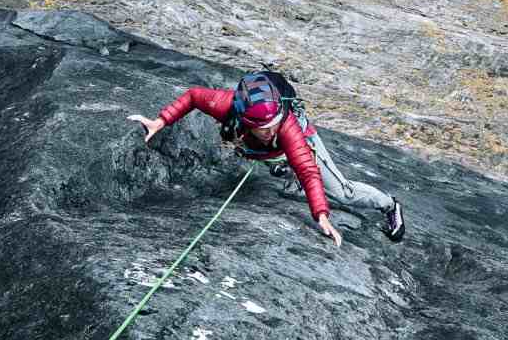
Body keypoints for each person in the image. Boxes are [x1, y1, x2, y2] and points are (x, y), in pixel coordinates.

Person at [128, 71, 404, 246]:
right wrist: (160, 121)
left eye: (274, 123)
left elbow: (308, 170)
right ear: (245, 118)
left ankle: (389, 205)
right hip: (261, 146)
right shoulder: (228, 105)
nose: (270, 128)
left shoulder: (286, 127)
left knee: (342, 192)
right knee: (264, 152)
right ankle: (280, 165)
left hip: (298, 140)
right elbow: (193, 96)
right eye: (264, 126)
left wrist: (321, 215)